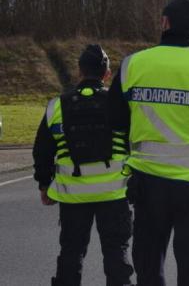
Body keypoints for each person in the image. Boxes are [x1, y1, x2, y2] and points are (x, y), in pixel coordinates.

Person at [108, 0, 189, 286]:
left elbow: (114, 123)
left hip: (147, 184)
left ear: (164, 22)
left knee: (148, 266)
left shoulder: (132, 65)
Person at [33, 44, 134, 286]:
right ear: (107, 73)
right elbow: (135, 142)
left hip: (72, 196)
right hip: (114, 194)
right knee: (116, 254)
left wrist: (44, 184)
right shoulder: (120, 103)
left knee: (71, 253)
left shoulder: (56, 106)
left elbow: (42, 151)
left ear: (79, 71)